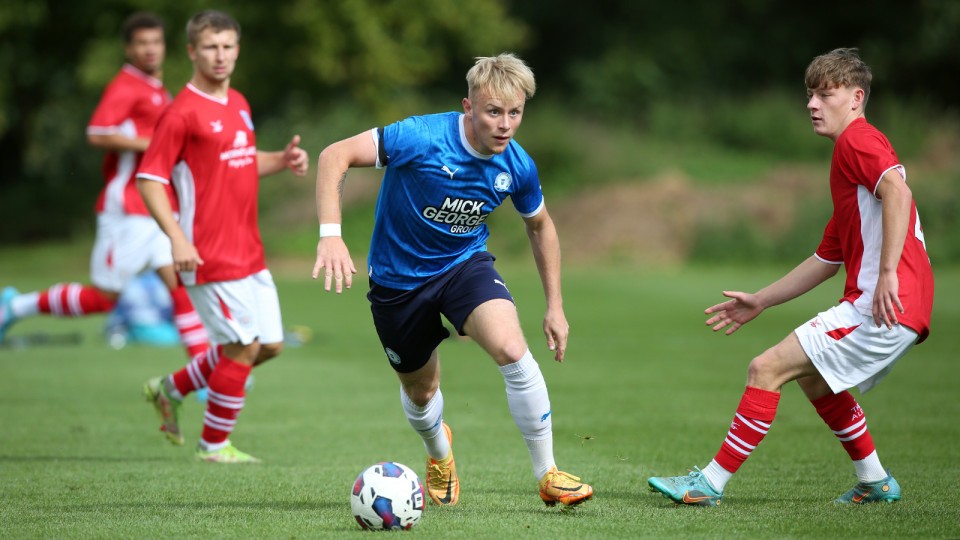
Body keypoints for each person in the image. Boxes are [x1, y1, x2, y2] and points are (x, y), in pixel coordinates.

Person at [648, 48, 934, 506]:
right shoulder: (853, 172)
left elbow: (899, 192)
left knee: (766, 368)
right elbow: (825, 260)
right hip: (895, 303)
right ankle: (875, 481)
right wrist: (761, 300)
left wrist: (887, 274)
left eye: (825, 94)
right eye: (810, 95)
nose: (812, 104)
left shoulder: (856, 140)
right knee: (814, 379)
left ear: (856, 98)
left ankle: (708, 484)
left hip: (884, 303)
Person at [312, 53, 593, 507]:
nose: (505, 125)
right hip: (398, 282)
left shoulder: (517, 166)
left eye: (515, 113)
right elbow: (334, 155)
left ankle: (548, 473)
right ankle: (439, 453)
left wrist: (555, 306)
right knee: (421, 393)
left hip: (464, 266)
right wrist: (330, 235)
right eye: (493, 112)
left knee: (512, 350)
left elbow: (540, 225)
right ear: (468, 106)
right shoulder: (421, 137)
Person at [136, 9, 308, 463]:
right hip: (206, 252)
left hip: (249, 249)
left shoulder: (239, 103)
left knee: (268, 345)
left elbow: (241, 159)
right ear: (192, 51)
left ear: (237, 50)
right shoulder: (181, 113)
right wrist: (177, 238)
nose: (220, 55)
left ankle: (170, 389)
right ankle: (213, 447)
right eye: (211, 47)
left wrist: (281, 159)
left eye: (228, 46)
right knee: (244, 346)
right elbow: (149, 180)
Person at [0, 12, 209, 359]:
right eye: (142, 43)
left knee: (182, 287)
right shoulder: (126, 86)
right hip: (128, 207)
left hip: (158, 207)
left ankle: (203, 374)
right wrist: (154, 144)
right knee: (104, 298)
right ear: (128, 48)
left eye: (156, 42)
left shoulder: (158, 90)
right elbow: (97, 132)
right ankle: (15, 307)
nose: (150, 49)